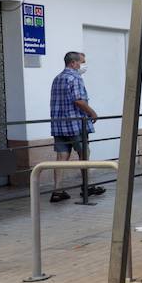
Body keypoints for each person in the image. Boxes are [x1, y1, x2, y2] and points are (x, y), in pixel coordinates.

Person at [49, 51, 103, 202]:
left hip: (59, 124)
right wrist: (93, 113)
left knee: (61, 156)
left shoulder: (57, 78)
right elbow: (78, 100)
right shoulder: (75, 78)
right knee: (84, 153)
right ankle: (86, 187)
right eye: (82, 62)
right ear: (73, 63)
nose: (83, 65)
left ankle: (57, 191)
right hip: (75, 124)